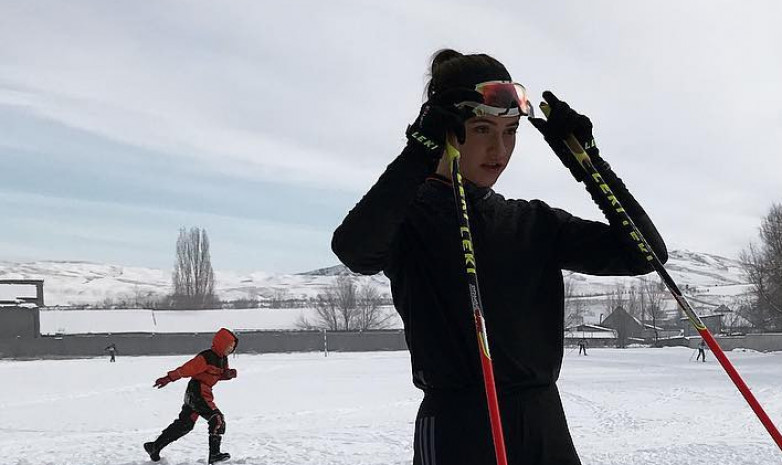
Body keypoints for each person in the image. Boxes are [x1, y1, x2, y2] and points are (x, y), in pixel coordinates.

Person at [331, 49, 668, 465]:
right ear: (447, 131)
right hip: (460, 427)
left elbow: (645, 253)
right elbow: (354, 250)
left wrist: (589, 163)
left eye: (510, 132)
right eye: (482, 129)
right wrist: (417, 153)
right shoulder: (408, 217)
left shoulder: (531, 222)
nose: (499, 148)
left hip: (543, 424)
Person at [143, 328, 238, 464]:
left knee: (185, 425)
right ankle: (215, 455)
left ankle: (154, 447)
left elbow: (214, 375)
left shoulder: (223, 359)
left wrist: (227, 375)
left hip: (201, 392)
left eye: (233, 347)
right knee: (216, 419)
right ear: (221, 344)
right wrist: (168, 378)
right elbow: (186, 370)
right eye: (229, 346)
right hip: (197, 391)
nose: (231, 349)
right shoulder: (206, 357)